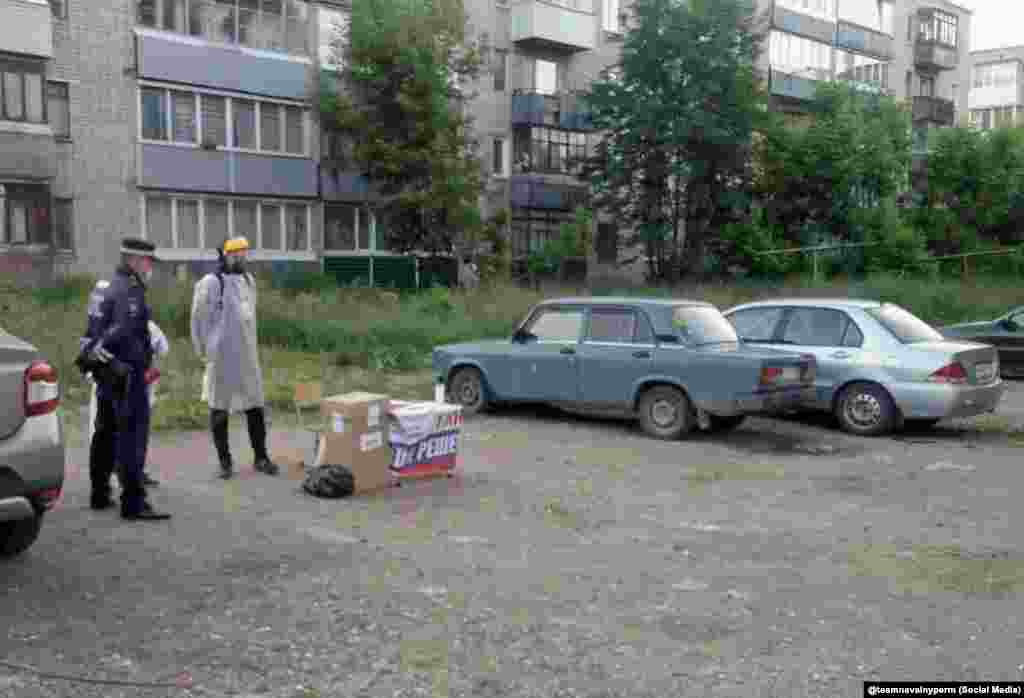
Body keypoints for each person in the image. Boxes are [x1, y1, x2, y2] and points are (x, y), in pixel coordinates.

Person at [76, 238, 171, 521]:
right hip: (126, 373)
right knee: (131, 435)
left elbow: (94, 330)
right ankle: (133, 501)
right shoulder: (129, 291)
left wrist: (92, 355)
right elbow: (124, 331)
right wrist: (139, 364)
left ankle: (100, 492)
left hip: (105, 371)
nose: (150, 268)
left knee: (104, 432)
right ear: (135, 260)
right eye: (148, 262)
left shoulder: (104, 287)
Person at [190, 236, 279, 480]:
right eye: (236, 253)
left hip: (247, 355)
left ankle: (261, 457)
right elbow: (198, 320)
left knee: (255, 405)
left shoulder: (249, 281)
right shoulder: (211, 283)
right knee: (220, 407)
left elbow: (251, 318)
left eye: (244, 253)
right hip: (221, 356)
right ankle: (225, 461)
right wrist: (203, 351)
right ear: (226, 255)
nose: (241, 258)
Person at [86, 282, 166, 490]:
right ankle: (107, 479)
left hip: (138, 391)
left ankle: (133, 475)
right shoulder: (99, 332)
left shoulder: (145, 326)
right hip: (109, 392)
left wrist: (151, 372)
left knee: (135, 436)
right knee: (108, 435)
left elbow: (161, 351)